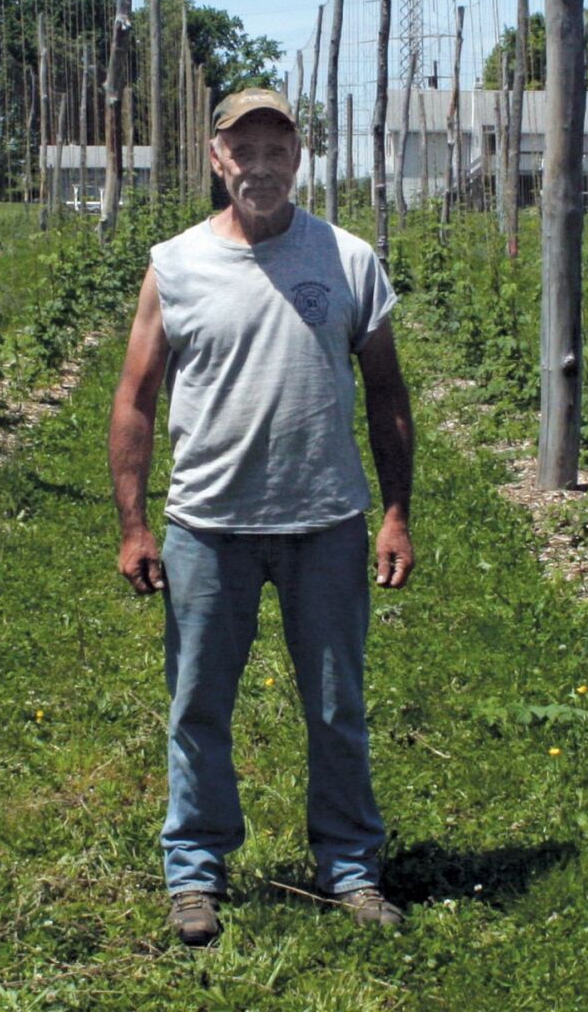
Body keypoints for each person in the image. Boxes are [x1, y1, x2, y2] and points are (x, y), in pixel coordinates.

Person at [108, 86, 415, 948]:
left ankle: (350, 868)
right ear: (217, 159)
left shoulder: (348, 259)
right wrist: (134, 524)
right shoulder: (174, 265)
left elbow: (386, 394)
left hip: (325, 522)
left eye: (276, 148)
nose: (261, 166)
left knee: (334, 705)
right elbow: (133, 398)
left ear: (299, 156)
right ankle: (195, 873)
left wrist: (394, 512)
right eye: (243, 150)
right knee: (198, 704)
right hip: (207, 524)